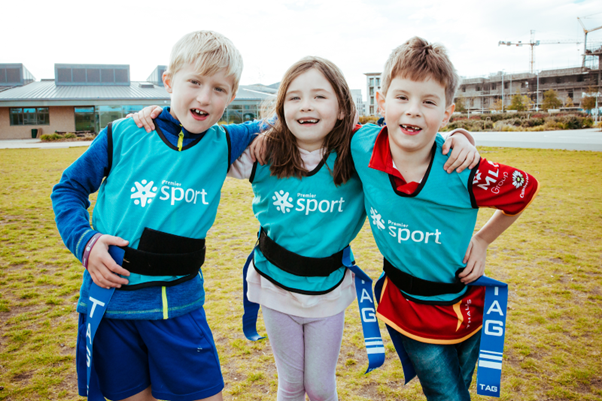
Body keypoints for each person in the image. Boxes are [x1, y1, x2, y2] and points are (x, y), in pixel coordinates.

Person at [130, 55, 478, 401]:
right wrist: (159, 118)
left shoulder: (358, 151)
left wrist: (459, 136)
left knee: (322, 387)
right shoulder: (260, 151)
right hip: (275, 286)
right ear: (281, 108)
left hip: (329, 289)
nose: (306, 106)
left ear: (342, 108)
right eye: (294, 97)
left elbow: (410, 137)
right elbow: (199, 143)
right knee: (292, 385)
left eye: (319, 96)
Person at [51, 31, 268, 401]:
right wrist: (86, 242)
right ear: (168, 81)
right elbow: (67, 189)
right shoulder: (124, 133)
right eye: (194, 82)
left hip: (179, 311)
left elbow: (289, 119)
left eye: (219, 89)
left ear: (232, 97)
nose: (204, 97)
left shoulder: (226, 141)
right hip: (112, 309)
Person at [350, 37, 540, 401]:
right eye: (402, 98)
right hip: (410, 308)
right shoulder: (361, 146)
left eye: (429, 102)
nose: (413, 111)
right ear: (381, 101)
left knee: (459, 389)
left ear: (447, 113)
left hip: (468, 305)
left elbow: (524, 189)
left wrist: (482, 240)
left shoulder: (462, 168)